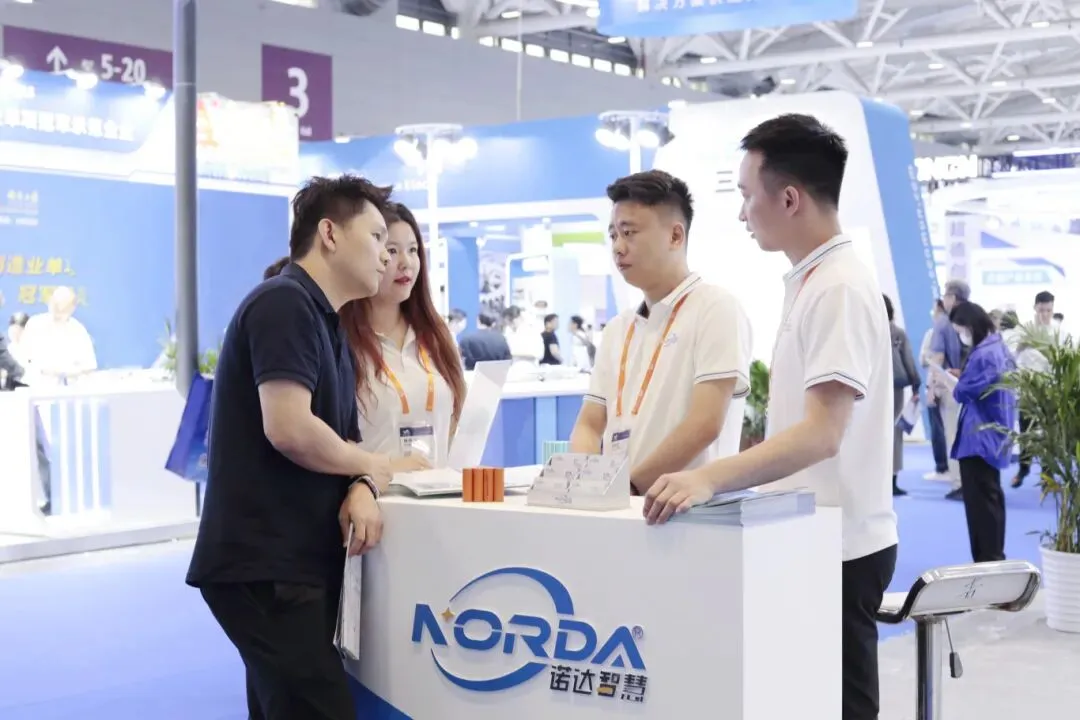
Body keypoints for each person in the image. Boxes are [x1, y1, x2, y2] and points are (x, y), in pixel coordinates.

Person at [643, 115, 897, 720]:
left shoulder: (837, 286)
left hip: (840, 543)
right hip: (814, 535)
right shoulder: (815, 281)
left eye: (746, 195)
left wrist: (709, 476)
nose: (741, 214)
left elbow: (823, 433)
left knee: (841, 705)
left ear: (789, 199)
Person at [186, 175, 408, 720]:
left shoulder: (326, 321)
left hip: (294, 563)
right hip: (266, 566)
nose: (386, 255)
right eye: (377, 237)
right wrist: (377, 465)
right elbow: (288, 427)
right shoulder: (283, 303)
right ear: (329, 234)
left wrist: (362, 480)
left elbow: (340, 437)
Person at [568, 169, 752, 496]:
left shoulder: (715, 308)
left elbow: (705, 423)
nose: (618, 247)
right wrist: (585, 487)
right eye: (613, 235)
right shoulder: (617, 329)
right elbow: (589, 424)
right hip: (620, 509)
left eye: (629, 233)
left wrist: (629, 487)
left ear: (675, 236)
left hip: (689, 511)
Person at [339, 202, 466, 468]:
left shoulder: (436, 335)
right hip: (371, 491)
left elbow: (456, 424)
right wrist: (383, 467)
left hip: (439, 490)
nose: (406, 263)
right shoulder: (341, 339)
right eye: (392, 250)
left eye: (413, 250)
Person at [947, 301, 1016, 562]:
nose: (961, 337)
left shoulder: (984, 354)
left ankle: (989, 561)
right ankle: (993, 558)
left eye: (960, 331)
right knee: (991, 500)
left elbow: (964, 391)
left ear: (970, 325)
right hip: (992, 434)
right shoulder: (998, 348)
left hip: (979, 438)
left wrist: (953, 381)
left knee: (981, 507)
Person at [930, 279, 970, 500]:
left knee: (953, 436)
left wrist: (932, 388)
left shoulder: (943, 322)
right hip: (973, 387)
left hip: (951, 387)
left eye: (945, 295)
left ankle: (959, 484)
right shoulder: (974, 318)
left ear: (953, 298)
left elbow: (937, 357)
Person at [1012, 291, 1054, 487]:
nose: (1044, 314)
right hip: (1027, 392)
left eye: (1048, 310)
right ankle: (1023, 469)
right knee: (1026, 433)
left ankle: (1047, 474)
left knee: (1048, 435)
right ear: (1035, 308)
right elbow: (1013, 359)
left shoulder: (1057, 334)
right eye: (1041, 310)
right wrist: (1020, 347)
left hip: (1049, 392)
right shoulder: (1024, 332)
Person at [19, 287, 97, 383]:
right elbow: (22, 358)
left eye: (63, 305)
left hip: (69, 387)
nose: (58, 308)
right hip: (36, 385)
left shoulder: (78, 330)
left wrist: (66, 372)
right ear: (50, 302)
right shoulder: (35, 324)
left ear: (72, 307)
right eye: (55, 303)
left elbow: (89, 367)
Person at [885, 294, 919, 497]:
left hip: (871, 390)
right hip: (895, 387)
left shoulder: (867, 331)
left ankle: (874, 480)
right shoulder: (897, 334)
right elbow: (908, 359)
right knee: (894, 433)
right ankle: (892, 480)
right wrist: (916, 384)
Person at [920, 300, 950, 479]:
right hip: (941, 385)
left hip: (940, 386)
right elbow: (924, 360)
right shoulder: (934, 333)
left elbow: (926, 359)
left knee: (940, 429)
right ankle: (945, 467)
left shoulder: (936, 334)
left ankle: (944, 468)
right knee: (942, 428)